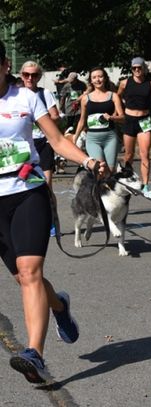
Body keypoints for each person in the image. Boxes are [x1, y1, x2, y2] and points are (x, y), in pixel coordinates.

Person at [0, 40, 105, 383]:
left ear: (4, 66)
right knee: (21, 276)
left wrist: (88, 160)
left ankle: (35, 354)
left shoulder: (26, 98)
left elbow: (58, 141)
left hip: (27, 192)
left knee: (29, 272)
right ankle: (58, 305)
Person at [117, 57, 151, 193]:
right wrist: (119, 110)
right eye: (134, 68)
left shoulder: (150, 84)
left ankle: (146, 185)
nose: (137, 70)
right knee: (129, 154)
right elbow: (117, 96)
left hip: (144, 120)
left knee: (145, 154)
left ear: (144, 68)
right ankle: (128, 177)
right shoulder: (124, 83)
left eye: (139, 67)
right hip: (130, 120)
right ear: (131, 69)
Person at [19, 60, 62, 236]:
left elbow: (56, 116)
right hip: (24, 146)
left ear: (39, 76)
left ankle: (52, 220)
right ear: (21, 75)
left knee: (46, 185)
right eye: (27, 75)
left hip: (43, 143)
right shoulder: (16, 95)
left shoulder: (44, 94)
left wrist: (41, 121)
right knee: (23, 187)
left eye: (34, 75)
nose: (30, 78)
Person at [73, 67, 124, 173]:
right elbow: (82, 120)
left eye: (100, 77)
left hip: (110, 138)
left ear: (105, 78)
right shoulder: (85, 98)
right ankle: (97, 189)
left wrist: (112, 117)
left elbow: (123, 118)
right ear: (91, 80)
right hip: (93, 139)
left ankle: (108, 189)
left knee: (110, 170)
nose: (98, 80)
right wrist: (75, 138)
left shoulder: (113, 96)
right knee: (100, 169)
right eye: (94, 77)